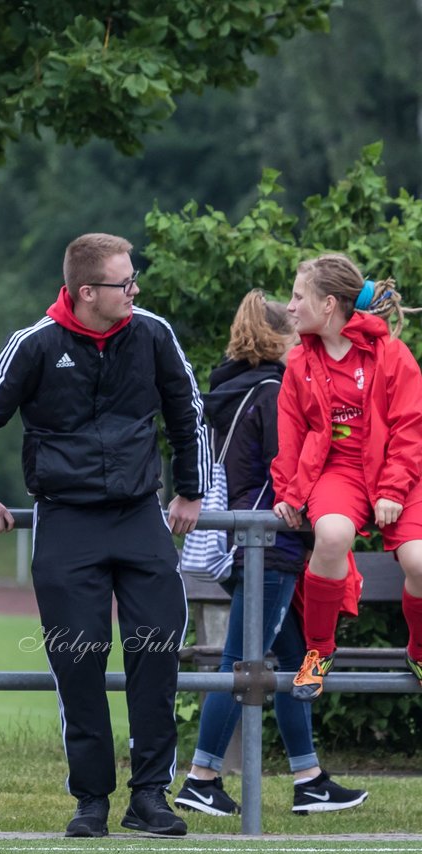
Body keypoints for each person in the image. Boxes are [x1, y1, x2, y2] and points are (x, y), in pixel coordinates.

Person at [0, 233, 209, 838]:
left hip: (141, 516)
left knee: (155, 654)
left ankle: (150, 797)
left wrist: (191, 489)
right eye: (125, 282)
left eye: (134, 279)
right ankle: (91, 800)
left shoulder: (152, 333)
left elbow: (187, 409)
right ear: (87, 291)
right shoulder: (34, 344)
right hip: (66, 522)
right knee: (79, 661)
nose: (135, 290)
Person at [173, 290, 366, 817]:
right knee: (241, 663)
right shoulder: (273, 391)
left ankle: (309, 778)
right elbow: (289, 470)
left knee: (294, 657)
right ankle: (201, 776)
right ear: (281, 337)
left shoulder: (232, 389)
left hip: (246, 544)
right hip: (271, 546)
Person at [271, 253, 422, 702]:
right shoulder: (299, 362)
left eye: (299, 297)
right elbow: (290, 434)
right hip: (338, 473)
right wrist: (287, 492)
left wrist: (394, 487)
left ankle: (418, 650)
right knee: (332, 535)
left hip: (400, 472)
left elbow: (410, 426)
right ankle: (318, 652)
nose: (291, 307)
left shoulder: (390, 354)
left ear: (329, 305)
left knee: (419, 564)